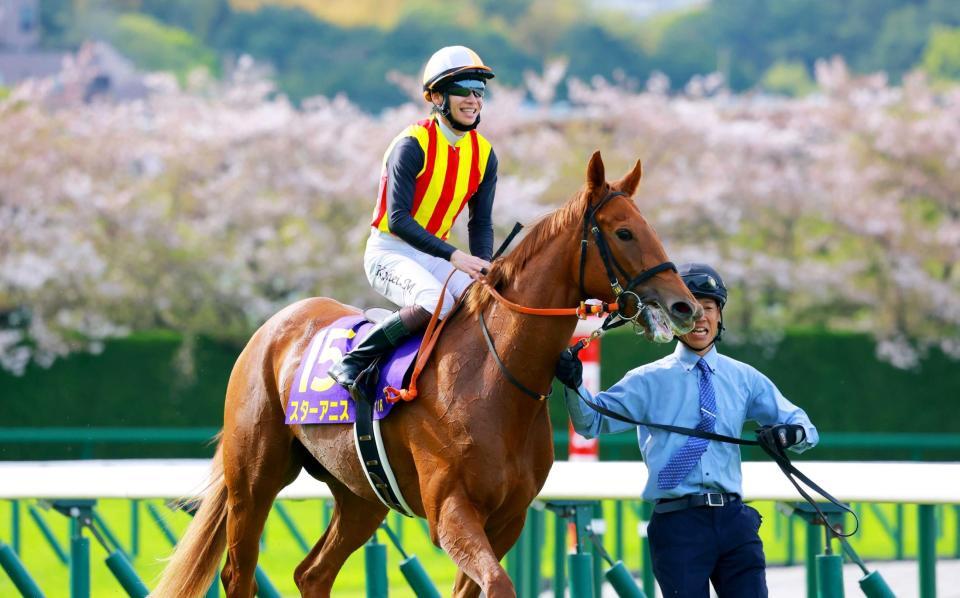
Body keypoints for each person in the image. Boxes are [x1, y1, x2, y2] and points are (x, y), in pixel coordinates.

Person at [554, 262, 818, 597]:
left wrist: (787, 434)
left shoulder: (745, 378)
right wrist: (574, 384)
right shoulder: (647, 380)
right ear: (670, 318)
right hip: (677, 525)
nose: (699, 317)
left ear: (719, 316)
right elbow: (590, 422)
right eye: (687, 308)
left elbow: (805, 428)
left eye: (708, 307)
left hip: (734, 521)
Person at [328, 45, 498, 398]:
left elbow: (480, 223)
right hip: (389, 251)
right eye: (463, 89)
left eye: (479, 90)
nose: (473, 99)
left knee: (481, 300)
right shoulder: (412, 144)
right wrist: (455, 256)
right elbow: (398, 219)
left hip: (433, 255)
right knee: (437, 301)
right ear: (436, 97)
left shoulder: (484, 154)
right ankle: (354, 361)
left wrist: (483, 266)